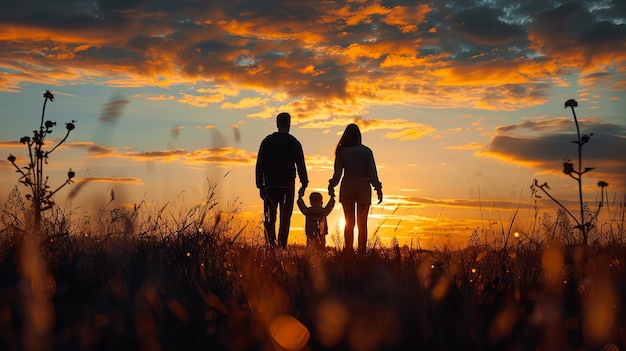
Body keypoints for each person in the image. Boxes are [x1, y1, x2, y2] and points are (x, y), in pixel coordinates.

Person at [256, 112, 308, 248]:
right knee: (285, 219)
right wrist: (304, 183)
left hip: (270, 185)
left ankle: (270, 245)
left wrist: (260, 185)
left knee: (269, 218)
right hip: (287, 185)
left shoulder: (267, 141)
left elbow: (260, 164)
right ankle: (282, 246)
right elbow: (301, 164)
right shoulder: (294, 143)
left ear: (277, 124)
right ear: (289, 124)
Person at [328, 123, 382, 255]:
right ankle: (362, 251)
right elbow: (372, 173)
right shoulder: (366, 151)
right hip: (363, 188)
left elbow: (337, 174)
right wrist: (378, 188)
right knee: (362, 223)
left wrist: (331, 185)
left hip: (347, 187)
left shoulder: (342, 152)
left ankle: (349, 251)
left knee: (349, 222)